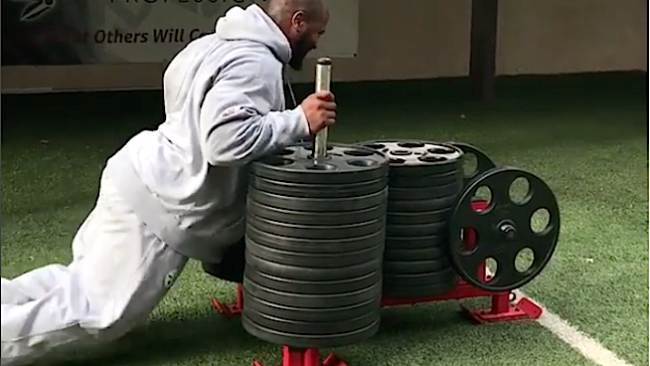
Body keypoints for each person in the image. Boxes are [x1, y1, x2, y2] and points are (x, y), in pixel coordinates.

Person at [0, 0, 335, 365]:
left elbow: (181, 96)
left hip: (138, 173)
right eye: (317, 32)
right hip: (159, 206)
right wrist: (298, 121)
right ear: (297, 22)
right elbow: (224, 141)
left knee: (76, 282)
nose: (318, 42)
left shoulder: (214, 43)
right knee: (102, 311)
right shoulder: (255, 62)